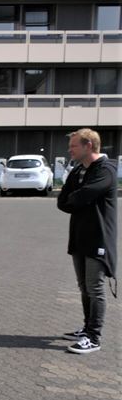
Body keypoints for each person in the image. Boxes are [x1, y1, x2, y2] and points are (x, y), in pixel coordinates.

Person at [57, 129, 117, 354]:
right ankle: (86, 327)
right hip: (79, 237)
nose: (69, 150)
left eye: (73, 146)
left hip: (98, 239)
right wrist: (77, 198)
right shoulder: (78, 170)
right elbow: (63, 201)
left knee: (95, 287)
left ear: (88, 146)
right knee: (83, 286)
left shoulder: (106, 170)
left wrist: (77, 198)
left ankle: (94, 337)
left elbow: (84, 195)